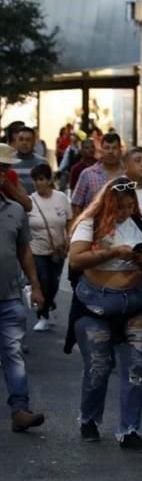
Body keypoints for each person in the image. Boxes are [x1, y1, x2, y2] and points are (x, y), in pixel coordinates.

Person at [67, 177, 142, 449]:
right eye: (120, 207)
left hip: (136, 305)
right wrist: (111, 252)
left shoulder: (140, 225)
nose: (125, 212)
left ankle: (129, 430)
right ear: (108, 204)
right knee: (98, 368)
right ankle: (89, 419)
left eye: (130, 206)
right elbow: (76, 259)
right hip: (95, 306)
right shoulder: (89, 225)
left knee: (135, 369)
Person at [0, 146, 45, 433]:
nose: (2, 174)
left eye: (4, 170)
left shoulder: (14, 209)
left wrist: (36, 287)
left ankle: (20, 409)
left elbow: (25, 251)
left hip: (9, 297)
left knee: (13, 353)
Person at [26, 164, 71, 332]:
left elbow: (69, 220)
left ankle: (49, 304)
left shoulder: (60, 198)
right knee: (44, 280)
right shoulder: (30, 201)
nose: (38, 183)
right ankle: (43, 315)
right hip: (37, 249)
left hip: (58, 250)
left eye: (42, 179)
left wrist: (69, 240)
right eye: (36, 180)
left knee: (54, 283)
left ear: (49, 180)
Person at [72, 133, 124, 214]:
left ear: (120, 151)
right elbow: (76, 205)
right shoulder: (87, 174)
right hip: (93, 225)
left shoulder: (128, 174)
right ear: (101, 151)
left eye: (114, 148)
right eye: (107, 148)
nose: (110, 151)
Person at [10, 127, 47, 195]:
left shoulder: (42, 163)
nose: (24, 143)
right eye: (21, 139)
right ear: (16, 141)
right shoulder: (7, 162)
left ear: (33, 142)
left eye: (28, 140)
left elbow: (49, 188)